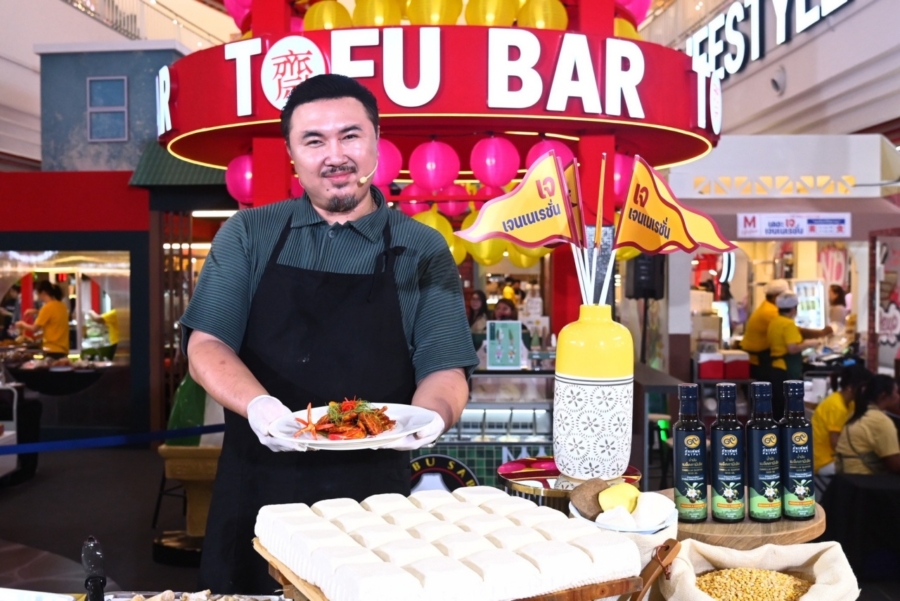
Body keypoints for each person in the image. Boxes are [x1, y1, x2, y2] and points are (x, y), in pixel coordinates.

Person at [180, 74, 478, 593]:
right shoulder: (249, 234)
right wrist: (261, 409)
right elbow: (206, 345)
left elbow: (445, 366)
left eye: (350, 136)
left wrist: (432, 416)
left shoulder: (422, 247)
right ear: (292, 156)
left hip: (375, 506)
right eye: (314, 141)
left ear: (377, 142)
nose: (334, 156)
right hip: (258, 491)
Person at [767, 291, 832, 418]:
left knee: (778, 407)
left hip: (774, 368)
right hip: (786, 369)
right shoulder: (788, 324)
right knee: (788, 407)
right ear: (793, 309)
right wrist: (808, 343)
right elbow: (792, 349)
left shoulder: (774, 322)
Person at [812, 365, 870, 491]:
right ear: (851, 387)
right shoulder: (836, 407)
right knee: (868, 467)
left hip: (830, 456)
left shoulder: (848, 403)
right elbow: (835, 443)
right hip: (824, 461)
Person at [835, 374, 900, 475]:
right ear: (883, 396)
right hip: (865, 479)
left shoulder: (858, 412)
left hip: (846, 476)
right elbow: (895, 465)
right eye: (896, 392)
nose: (898, 397)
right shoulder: (880, 420)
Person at [742, 279, 790, 381]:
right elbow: (790, 330)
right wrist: (820, 333)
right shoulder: (770, 311)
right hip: (759, 363)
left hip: (758, 360)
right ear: (776, 296)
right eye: (785, 297)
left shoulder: (767, 306)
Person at [15, 281, 69, 358]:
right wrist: (36, 311)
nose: (38, 297)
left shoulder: (47, 308)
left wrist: (22, 324)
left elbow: (34, 328)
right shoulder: (62, 306)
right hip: (63, 350)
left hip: (51, 350)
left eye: (38, 294)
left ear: (43, 293)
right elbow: (53, 315)